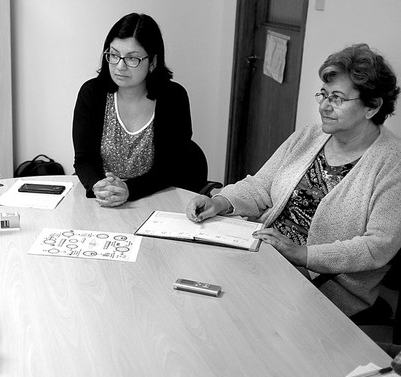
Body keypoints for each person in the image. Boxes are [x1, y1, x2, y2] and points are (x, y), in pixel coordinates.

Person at [186, 44, 401, 318]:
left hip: (325, 289)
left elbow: (378, 246)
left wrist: (303, 254)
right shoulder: (309, 136)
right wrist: (220, 201)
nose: (324, 106)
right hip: (266, 258)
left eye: (337, 98)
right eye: (323, 95)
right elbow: (261, 185)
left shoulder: (392, 161)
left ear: (372, 106)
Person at [72, 12, 207, 207]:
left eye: (132, 59)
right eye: (114, 55)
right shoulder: (92, 93)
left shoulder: (173, 97)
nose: (120, 66)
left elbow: (170, 168)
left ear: (152, 62)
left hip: (155, 198)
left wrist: (129, 190)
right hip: (104, 199)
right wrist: (98, 186)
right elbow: (83, 159)